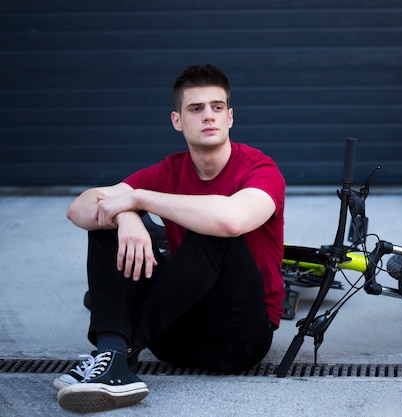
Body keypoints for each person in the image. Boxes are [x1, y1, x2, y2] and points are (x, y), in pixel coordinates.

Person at [54, 64, 286, 413]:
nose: (208, 116)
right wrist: (127, 216)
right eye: (196, 109)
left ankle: (123, 354)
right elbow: (79, 208)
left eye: (217, 107)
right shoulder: (168, 170)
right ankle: (113, 355)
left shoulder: (260, 169)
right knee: (107, 225)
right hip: (173, 334)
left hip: (238, 338)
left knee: (214, 231)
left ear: (230, 117)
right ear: (177, 120)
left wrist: (138, 199)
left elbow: (230, 220)